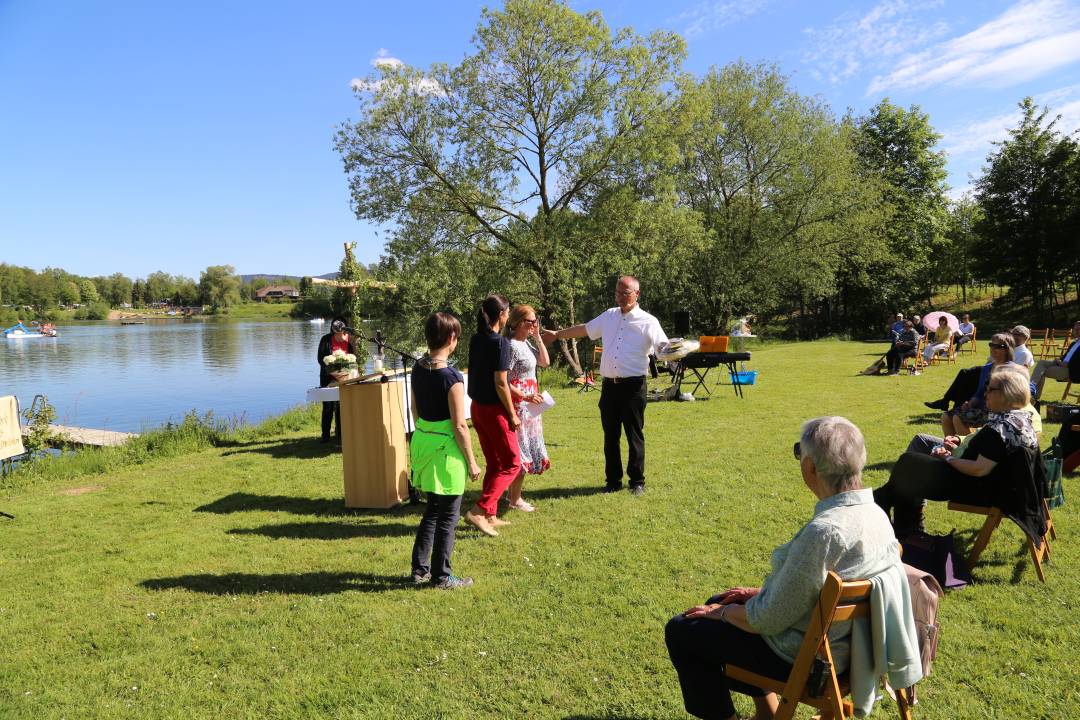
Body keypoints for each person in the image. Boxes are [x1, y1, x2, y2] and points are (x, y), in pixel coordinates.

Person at [665, 417, 920, 720]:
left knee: (683, 630)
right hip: (849, 650)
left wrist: (720, 614)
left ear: (810, 467)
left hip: (809, 660)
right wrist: (747, 598)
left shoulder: (826, 532)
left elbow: (768, 618)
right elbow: (816, 589)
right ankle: (768, 715)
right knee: (722, 603)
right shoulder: (876, 514)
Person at [874, 365, 1041, 537]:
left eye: (989, 389)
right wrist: (958, 448)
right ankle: (903, 524)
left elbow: (979, 469)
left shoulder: (1001, 428)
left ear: (1005, 394)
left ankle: (898, 519)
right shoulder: (1019, 419)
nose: (985, 394)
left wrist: (948, 459)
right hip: (997, 485)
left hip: (977, 489)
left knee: (909, 464)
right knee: (910, 466)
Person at [542, 276, 668, 495]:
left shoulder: (649, 321)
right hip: (610, 387)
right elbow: (584, 329)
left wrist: (676, 350)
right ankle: (613, 481)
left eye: (625, 293)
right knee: (610, 436)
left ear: (637, 294)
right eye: (617, 293)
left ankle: (637, 482)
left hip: (634, 387)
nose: (620, 297)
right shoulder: (609, 316)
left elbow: (663, 347)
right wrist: (558, 335)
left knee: (634, 435)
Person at [409, 312, 481, 590]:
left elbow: (414, 410)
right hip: (446, 451)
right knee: (449, 515)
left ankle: (419, 569)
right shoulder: (452, 378)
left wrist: (424, 432)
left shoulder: (417, 367)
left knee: (432, 510)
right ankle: (442, 576)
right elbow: (460, 426)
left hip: (423, 443)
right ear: (452, 339)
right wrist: (472, 462)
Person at [463, 294, 521, 537]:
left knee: (495, 463)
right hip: (494, 411)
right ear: (502, 314)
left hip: (476, 408)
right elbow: (500, 383)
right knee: (512, 463)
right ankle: (479, 510)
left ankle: (490, 515)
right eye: (508, 311)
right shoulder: (501, 343)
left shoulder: (477, 339)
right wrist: (512, 414)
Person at [504, 304, 551, 512]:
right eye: (529, 321)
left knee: (526, 447)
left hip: (532, 404)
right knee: (521, 451)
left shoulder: (526, 344)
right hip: (520, 404)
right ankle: (515, 499)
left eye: (535, 321)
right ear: (517, 323)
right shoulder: (512, 346)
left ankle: (512, 495)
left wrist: (538, 338)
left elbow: (545, 362)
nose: (533, 325)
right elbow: (504, 380)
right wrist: (525, 396)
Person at [941, 332, 1015, 436]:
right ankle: (951, 449)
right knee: (946, 416)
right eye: (991, 345)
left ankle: (967, 449)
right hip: (981, 408)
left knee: (959, 418)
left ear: (1007, 349)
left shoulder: (1013, 369)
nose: (992, 348)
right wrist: (969, 404)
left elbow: (1025, 390)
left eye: (997, 346)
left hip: (999, 412)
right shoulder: (987, 368)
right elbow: (979, 393)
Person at [316, 317, 357, 443]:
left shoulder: (350, 340)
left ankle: (340, 435)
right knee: (328, 406)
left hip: (345, 379)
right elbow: (320, 358)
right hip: (328, 378)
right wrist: (332, 369)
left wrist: (345, 372)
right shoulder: (326, 339)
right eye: (336, 328)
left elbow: (355, 359)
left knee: (341, 407)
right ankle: (325, 435)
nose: (338, 330)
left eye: (341, 328)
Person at [1031, 319, 1080, 401]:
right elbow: (1066, 357)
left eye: (1079, 329)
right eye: (1076, 329)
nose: (1077, 331)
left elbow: (1073, 364)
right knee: (1041, 362)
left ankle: (1034, 396)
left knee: (1041, 372)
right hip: (1062, 365)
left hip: (1072, 371)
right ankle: (1031, 389)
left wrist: (1060, 363)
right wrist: (1059, 360)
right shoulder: (1074, 343)